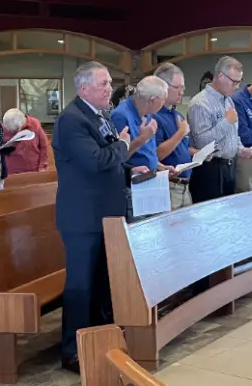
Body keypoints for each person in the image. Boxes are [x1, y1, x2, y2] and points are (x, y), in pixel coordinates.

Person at [54, 61, 149, 374]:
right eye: (104, 84)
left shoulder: (100, 115)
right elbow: (95, 161)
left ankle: (101, 340)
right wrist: (123, 145)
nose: (110, 88)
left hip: (105, 214)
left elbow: (109, 159)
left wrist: (128, 168)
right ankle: (73, 350)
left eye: (110, 83)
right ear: (84, 89)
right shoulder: (72, 120)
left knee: (102, 283)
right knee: (81, 286)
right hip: (83, 217)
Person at [187, 56, 249, 203]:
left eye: (239, 82)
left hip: (230, 166)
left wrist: (240, 148)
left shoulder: (228, 101)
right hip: (210, 168)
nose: (237, 86)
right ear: (221, 76)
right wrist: (226, 122)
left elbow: (233, 133)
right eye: (234, 82)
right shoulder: (200, 103)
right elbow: (202, 142)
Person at [110, 76, 176, 197]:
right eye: (163, 99)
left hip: (151, 182)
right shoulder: (121, 116)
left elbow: (146, 153)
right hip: (133, 186)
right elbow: (117, 157)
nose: (164, 103)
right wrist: (142, 139)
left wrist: (161, 166)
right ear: (152, 100)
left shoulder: (148, 114)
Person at [153, 63, 194, 210]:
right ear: (163, 86)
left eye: (183, 87)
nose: (182, 92)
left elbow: (179, 148)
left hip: (185, 186)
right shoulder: (154, 116)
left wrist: (196, 153)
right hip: (168, 186)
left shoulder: (177, 115)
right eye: (178, 87)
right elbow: (156, 154)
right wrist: (181, 132)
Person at [2, 108, 50, 174]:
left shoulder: (35, 124)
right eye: (10, 130)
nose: (14, 132)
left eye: (15, 130)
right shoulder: (3, 128)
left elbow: (44, 146)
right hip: (11, 173)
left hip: (33, 171)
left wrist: (42, 166)